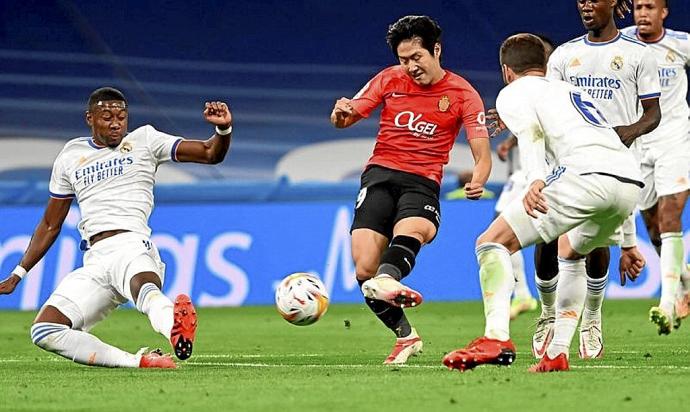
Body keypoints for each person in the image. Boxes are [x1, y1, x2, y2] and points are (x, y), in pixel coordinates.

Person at [442, 33, 645, 373]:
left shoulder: (512, 92)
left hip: (585, 176)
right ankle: (557, 354)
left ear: (507, 71)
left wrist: (536, 178)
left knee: (491, 242)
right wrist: (628, 242)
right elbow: (607, 149)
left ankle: (496, 337)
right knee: (571, 253)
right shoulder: (571, 91)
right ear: (546, 65)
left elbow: (531, 134)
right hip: (627, 182)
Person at [0, 87, 234, 368]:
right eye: (107, 116)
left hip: (131, 242)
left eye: (122, 117)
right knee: (45, 330)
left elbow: (209, 153)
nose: (115, 123)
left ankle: (176, 325)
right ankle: (139, 362)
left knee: (144, 287)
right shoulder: (70, 155)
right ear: (90, 118)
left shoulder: (145, 140)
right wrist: (18, 272)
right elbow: (51, 224)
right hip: (95, 259)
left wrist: (223, 131)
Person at [330, 15, 491, 364]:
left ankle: (388, 279)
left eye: (416, 58)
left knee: (415, 230)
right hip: (380, 174)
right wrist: (340, 114)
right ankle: (406, 336)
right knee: (363, 270)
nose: (410, 67)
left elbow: (481, 151)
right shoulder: (389, 79)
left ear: (436, 50)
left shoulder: (463, 94)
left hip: (423, 180)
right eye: (403, 60)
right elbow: (347, 116)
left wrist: (478, 178)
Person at [530, 0, 661, 359]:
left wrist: (626, 132)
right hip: (565, 161)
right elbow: (548, 106)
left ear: (614, 4)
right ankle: (548, 314)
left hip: (613, 164)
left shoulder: (638, 55)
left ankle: (591, 316)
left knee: (595, 241)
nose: (586, 6)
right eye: (581, 0)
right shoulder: (563, 56)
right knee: (547, 234)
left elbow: (653, 114)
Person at [622, 0, 690, 334]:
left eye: (650, 7)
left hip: (675, 140)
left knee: (670, 216)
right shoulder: (621, 44)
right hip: (638, 143)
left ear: (664, 12)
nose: (643, 13)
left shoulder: (681, 44)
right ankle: (686, 279)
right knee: (652, 226)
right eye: (638, 7)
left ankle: (668, 300)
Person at [492, 35, 557, 320]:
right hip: (541, 169)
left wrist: (536, 179)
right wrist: (510, 138)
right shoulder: (545, 87)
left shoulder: (552, 80)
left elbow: (536, 129)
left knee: (498, 235)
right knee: (504, 228)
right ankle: (526, 296)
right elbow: (531, 124)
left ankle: (530, 301)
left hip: (541, 169)